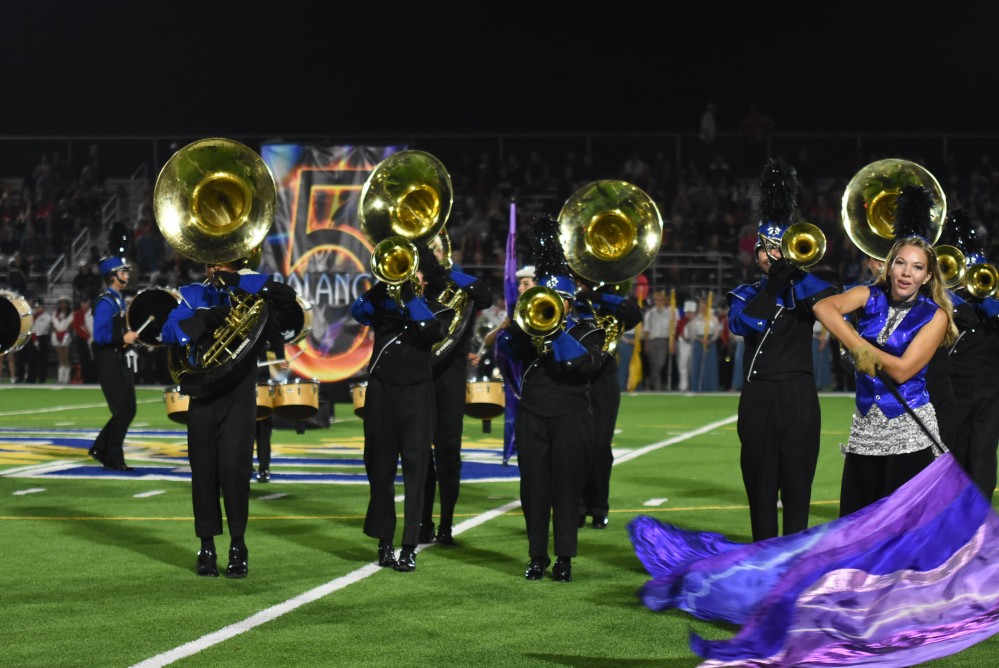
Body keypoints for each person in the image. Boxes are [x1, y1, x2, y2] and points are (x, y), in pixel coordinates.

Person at [813, 185, 957, 516]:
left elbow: (905, 369)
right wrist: (856, 344)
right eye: (901, 264)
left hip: (910, 432)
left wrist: (864, 350)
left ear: (927, 276)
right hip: (864, 429)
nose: (907, 272)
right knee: (857, 522)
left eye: (917, 267)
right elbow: (824, 307)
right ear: (889, 266)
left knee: (902, 531)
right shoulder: (868, 295)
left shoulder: (935, 316)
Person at [161, 259, 298, 578]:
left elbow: (286, 296)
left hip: (239, 394)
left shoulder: (253, 291)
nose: (213, 269)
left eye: (221, 262)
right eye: (210, 263)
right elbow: (169, 331)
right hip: (203, 392)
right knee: (204, 471)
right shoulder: (194, 294)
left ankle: (238, 545)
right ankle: (206, 547)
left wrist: (237, 281)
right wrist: (204, 318)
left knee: (235, 471)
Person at [727, 158, 836, 541]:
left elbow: (837, 305)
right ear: (755, 254)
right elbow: (743, 323)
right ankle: (762, 561)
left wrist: (795, 273)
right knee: (760, 488)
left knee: (797, 487)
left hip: (800, 396)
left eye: (779, 249)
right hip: (759, 397)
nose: (771, 256)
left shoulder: (806, 289)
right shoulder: (743, 295)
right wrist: (775, 285)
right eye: (765, 250)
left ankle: (794, 565)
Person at [498, 214, 604, 582]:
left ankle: (564, 559)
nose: (551, 304)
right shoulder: (528, 326)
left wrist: (557, 331)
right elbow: (506, 348)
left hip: (572, 414)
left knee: (566, 489)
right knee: (534, 489)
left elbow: (587, 365)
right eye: (547, 298)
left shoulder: (589, 329)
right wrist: (522, 323)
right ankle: (536, 555)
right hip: (534, 413)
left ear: (569, 301)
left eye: (557, 299)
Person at [350, 254, 449, 573]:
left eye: (415, 276)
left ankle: (409, 546)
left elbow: (431, 331)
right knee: (379, 468)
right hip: (381, 390)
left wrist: (408, 295)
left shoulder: (436, 308)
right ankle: (384, 542)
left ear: (425, 280)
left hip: (417, 392)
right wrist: (382, 287)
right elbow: (358, 312)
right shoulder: (382, 304)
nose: (409, 280)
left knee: (416, 471)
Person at [418, 242, 493, 546]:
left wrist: (448, 274)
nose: (432, 255)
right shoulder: (416, 287)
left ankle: (446, 522)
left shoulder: (461, 288)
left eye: (436, 249)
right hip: (421, 381)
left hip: (449, 384)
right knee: (420, 455)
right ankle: (424, 521)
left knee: (448, 454)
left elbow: (485, 295)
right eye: (428, 250)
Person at [575, 280, 642, 530]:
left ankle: (599, 506)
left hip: (603, 379)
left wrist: (598, 296)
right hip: (574, 377)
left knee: (601, 445)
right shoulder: (567, 298)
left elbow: (634, 314)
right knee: (577, 445)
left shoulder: (604, 301)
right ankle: (579, 506)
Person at [88, 257, 139, 471]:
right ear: (112, 276)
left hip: (117, 357)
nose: (127, 275)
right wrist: (122, 339)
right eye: (123, 272)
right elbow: (99, 335)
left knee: (128, 409)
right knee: (123, 410)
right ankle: (113, 457)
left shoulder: (117, 299)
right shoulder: (105, 301)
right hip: (107, 359)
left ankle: (102, 447)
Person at [483, 264, 536, 465]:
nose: (520, 289)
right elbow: (489, 340)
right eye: (520, 284)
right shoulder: (513, 313)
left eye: (525, 283)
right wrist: (503, 325)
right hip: (513, 375)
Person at [641, 289, 675, 391]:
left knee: (660, 363)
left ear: (664, 301)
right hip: (652, 341)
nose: (659, 302)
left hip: (663, 340)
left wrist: (671, 343)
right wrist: (646, 344)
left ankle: (649, 381)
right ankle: (657, 387)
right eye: (657, 300)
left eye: (661, 300)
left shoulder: (670, 313)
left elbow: (672, 329)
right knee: (653, 363)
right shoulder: (650, 313)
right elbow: (646, 329)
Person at [71, 297, 95, 383]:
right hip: (82, 340)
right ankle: (86, 379)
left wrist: (92, 337)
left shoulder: (94, 313)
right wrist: (87, 337)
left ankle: (94, 378)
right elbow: (77, 328)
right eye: (83, 303)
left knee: (94, 360)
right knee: (84, 360)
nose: (84, 305)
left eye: (86, 303)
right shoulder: (77, 314)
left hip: (94, 339)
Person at [50, 298, 73, 384]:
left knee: (66, 357)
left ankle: (66, 378)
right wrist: (55, 331)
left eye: (64, 303)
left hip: (66, 334)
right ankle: (60, 378)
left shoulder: (71, 314)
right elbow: (52, 324)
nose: (62, 305)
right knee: (60, 357)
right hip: (57, 334)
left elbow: (71, 325)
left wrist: (67, 333)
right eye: (61, 303)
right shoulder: (55, 313)